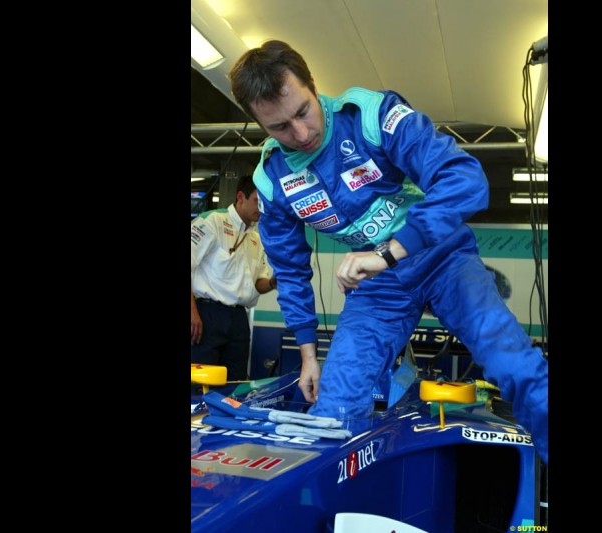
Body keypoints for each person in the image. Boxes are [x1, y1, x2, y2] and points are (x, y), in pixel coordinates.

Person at [228, 40, 548, 462]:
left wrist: (390, 251)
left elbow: (465, 179)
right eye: (279, 128)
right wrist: (308, 354)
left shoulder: (371, 116)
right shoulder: (271, 180)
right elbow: (288, 270)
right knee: (334, 410)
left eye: (303, 111)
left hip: (443, 258)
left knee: (517, 368)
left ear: (313, 85)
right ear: (259, 124)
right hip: (379, 289)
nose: (301, 135)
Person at [191, 174, 277, 382]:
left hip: (239, 319)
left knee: (234, 383)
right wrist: (192, 313)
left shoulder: (256, 238)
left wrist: (275, 282)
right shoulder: (212, 222)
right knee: (200, 382)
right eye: (257, 201)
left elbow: (258, 283)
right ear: (241, 197)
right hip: (206, 314)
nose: (261, 208)